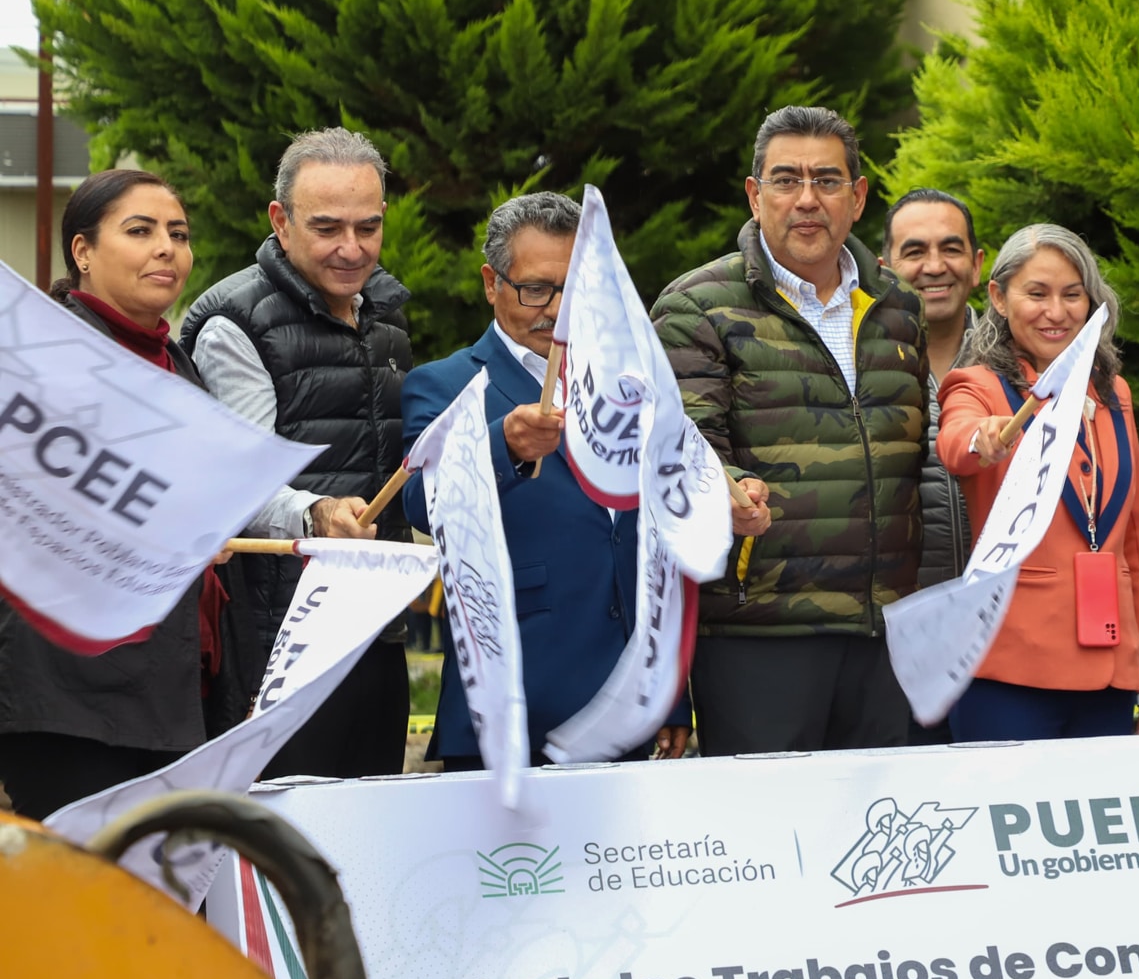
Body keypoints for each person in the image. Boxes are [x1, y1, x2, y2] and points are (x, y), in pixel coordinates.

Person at [0, 170, 356, 819]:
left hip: (179, 692)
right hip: (73, 703)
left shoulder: (177, 366)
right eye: (140, 231)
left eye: (178, 234)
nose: (167, 248)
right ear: (82, 251)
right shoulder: (44, 364)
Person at [654, 105, 927, 756]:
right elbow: (687, 450)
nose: (807, 199)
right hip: (759, 638)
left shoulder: (898, 310)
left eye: (828, 180)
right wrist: (730, 489)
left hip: (887, 635)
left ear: (858, 197)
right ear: (754, 195)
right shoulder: (696, 307)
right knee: (770, 844)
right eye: (786, 180)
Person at [400, 192, 689, 767]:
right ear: (491, 283)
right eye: (535, 289)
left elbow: (652, 542)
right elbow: (418, 502)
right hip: (513, 697)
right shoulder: (446, 384)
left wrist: (673, 695)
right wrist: (502, 443)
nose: (555, 310)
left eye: (574, 291)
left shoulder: (629, 387)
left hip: (629, 698)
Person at [181, 128, 412, 780]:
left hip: (375, 625)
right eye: (328, 227)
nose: (352, 247)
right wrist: (316, 514)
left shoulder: (387, 316)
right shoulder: (236, 323)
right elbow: (240, 481)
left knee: (373, 843)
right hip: (280, 639)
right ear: (280, 222)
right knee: (287, 853)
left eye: (369, 227)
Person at [936, 224, 1139, 740]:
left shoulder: (1114, 394)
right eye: (1036, 294)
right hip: (1008, 664)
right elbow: (955, 441)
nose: (1057, 312)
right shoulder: (977, 386)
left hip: (1110, 668)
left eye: (1072, 295)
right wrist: (984, 438)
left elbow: (1135, 546)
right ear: (998, 297)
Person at [881, 189, 986, 742]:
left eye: (951, 248)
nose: (934, 266)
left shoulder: (1020, 365)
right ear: (884, 267)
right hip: (898, 651)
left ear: (977, 262)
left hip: (1007, 645)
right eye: (914, 251)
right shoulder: (857, 365)